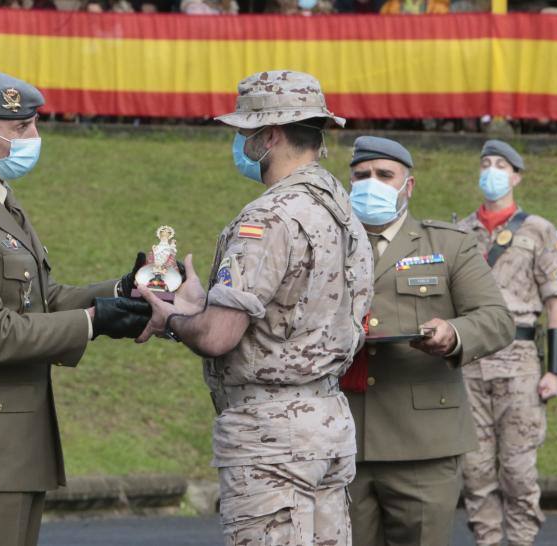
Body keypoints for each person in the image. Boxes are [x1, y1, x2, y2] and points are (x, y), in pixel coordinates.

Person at [0, 69, 151, 546]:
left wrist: (119, 291)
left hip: (7, 446)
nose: (34, 137)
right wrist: (93, 322)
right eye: (21, 128)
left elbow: (40, 299)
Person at [136, 70, 374, 546]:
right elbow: (291, 312)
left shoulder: (268, 217)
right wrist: (204, 303)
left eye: (246, 132)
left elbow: (220, 336)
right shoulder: (342, 211)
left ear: (270, 135)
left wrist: (174, 319)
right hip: (326, 421)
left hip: (270, 438)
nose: (241, 143)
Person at [342, 136, 515, 546]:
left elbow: (497, 319)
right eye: (361, 176)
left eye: (385, 175)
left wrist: (454, 334)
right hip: (341, 438)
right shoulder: (328, 246)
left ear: (409, 186)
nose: (372, 184)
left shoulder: (448, 245)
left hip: (422, 443)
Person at [457, 140, 557, 546]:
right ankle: (487, 541)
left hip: (520, 359)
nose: (492, 170)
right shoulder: (461, 231)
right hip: (470, 363)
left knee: (519, 471)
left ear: (517, 175)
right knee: (475, 470)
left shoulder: (538, 230)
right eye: (486, 163)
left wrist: (554, 370)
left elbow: (556, 301)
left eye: (501, 164)